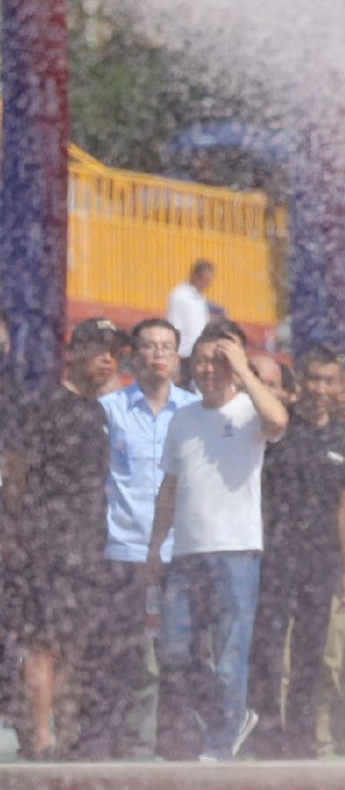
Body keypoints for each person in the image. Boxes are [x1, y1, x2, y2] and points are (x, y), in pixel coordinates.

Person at [147, 320, 290, 761]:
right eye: (203, 360)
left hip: (236, 550)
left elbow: (278, 420)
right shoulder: (183, 419)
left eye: (219, 360)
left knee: (230, 652)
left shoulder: (250, 410)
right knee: (173, 650)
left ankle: (221, 740)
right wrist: (155, 545)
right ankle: (230, 713)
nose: (209, 369)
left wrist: (244, 371)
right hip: (187, 552)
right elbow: (169, 487)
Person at [3, 320, 129, 759]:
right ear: (72, 353)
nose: (108, 359)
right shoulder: (46, 406)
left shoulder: (102, 414)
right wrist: (25, 531)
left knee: (76, 642)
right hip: (47, 544)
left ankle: (69, 736)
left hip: (89, 543)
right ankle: (38, 738)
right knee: (44, 642)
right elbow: (16, 473)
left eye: (113, 351)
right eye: (98, 349)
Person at [92, 317, 199, 759]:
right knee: (128, 653)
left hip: (181, 551)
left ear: (177, 357)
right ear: (134, 356)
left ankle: (176, 739)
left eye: (166, 347)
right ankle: (131, 741)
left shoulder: (194, 412)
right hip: (125, 548)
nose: (158, 354)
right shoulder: (110, 409)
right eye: (149, 346)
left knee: (179, 652)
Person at [248, 345, 345, 758]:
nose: (320, 388)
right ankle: (265, 730)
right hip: (277, 553)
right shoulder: (279, 429)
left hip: (321, 559)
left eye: (329, 381)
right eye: (313, 379)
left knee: (312, 651)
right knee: (270, 646)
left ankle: (300, 735)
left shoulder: (342, 439)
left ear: (338, 386)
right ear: (301, 381)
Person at [167, 260, 215, 360]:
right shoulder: (180, 295)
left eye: (209, 281)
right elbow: (174, 322)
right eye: (204, 280)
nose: (206, 285)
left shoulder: (201, 298)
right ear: (194, 276)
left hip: (198, 351)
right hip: (183, 353)